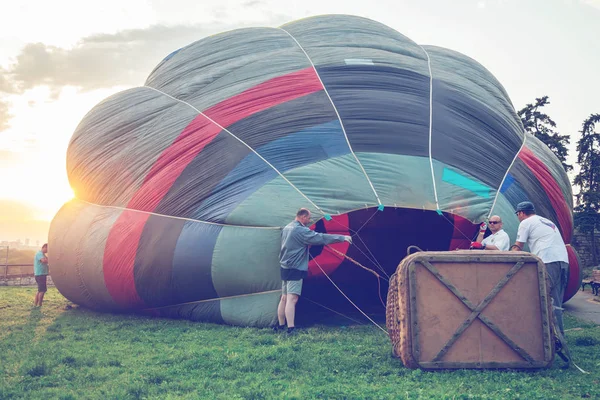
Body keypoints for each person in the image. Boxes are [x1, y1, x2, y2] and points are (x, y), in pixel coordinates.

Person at [275, 208, 352, 335]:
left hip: (284, 267)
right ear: (303, 217)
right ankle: (291, 328)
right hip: (295, 268)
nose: (310, 221)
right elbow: (320, 238)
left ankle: (280, 325)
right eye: (309, 218)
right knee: (291, 299)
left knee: (283, 298)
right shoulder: (301, 231)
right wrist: (342, 238)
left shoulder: (287, 227)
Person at [510, 201, 569, 336]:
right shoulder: (546, 221)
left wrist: (507, 256)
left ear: (521, 213)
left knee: (541, 296)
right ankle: (558, 336)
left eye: (518, 214)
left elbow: (518, 246)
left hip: (548, 260)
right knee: (556, 301)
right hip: (563, 261)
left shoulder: (525, 222)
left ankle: (545, 337)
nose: (518, 217)